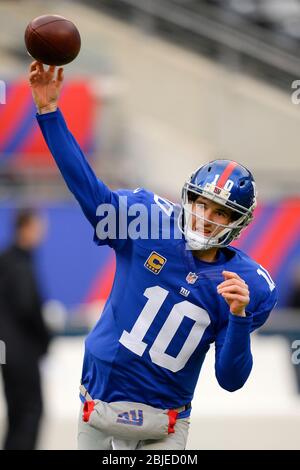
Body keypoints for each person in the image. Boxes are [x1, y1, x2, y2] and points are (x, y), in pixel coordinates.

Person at [29, 61, 277, 450]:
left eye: (220, 213)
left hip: (165, 424)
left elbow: (231, 379)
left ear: (238, 223)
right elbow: (88, 189)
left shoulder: (246, 285)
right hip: (101, 408)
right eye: (201, 203)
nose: (206, 218)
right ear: (187, 197)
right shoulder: (148, 222)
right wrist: (49, 113)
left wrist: (239, 318)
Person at [0, 208, 51, 450]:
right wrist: (45, 339)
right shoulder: (20, 264)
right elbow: (26, 306)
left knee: (16, 414)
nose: (42, 231)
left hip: (7, 352)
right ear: (26, 227)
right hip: (23, 352)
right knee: (30, 413)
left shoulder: (6, 260)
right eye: (38, 226)